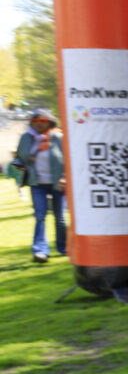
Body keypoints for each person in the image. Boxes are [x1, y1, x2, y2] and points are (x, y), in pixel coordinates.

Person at [13, 109, 64, 263]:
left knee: (60, 218)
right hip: (37, 183)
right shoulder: (26, 138)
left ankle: (64, 247)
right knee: (40, 216)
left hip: (57, 183)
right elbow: (20, 157)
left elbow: (68, 158)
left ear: (49, 122)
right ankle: (40, 251)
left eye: (42, 121)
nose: (39, 124)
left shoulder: (58, 138)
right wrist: (19, 163)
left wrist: (65, 177)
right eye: (35, 121)